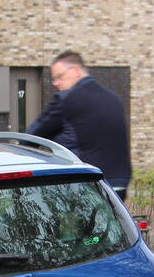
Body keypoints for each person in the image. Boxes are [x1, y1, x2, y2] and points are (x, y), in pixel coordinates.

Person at [27, 51, 132, 200]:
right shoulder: (114, 99)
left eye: (59, 77)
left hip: (87, 184)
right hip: (118, 184)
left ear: (75, 71)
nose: (56, 83)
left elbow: (33, 136)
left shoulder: (67, 99)